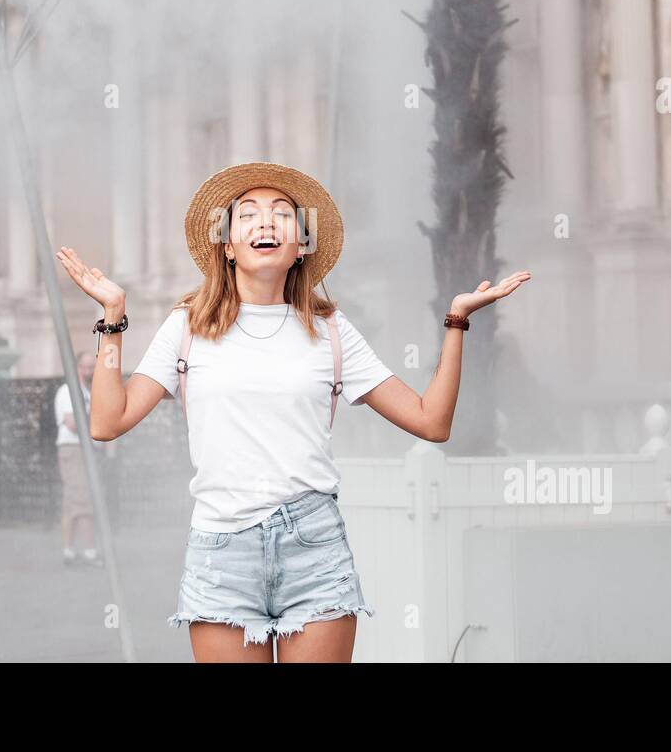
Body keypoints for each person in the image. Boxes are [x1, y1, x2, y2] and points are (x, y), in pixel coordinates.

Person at [56, 161, 530, 663]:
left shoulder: (330, 330)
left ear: (301, 244)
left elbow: (431, 421)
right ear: (227, 243)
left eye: (282, 214)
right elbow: (108, 422)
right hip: (222, 552)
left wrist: (456, 320)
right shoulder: (187, 328)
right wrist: (112, 319)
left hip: (314, 548)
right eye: (249, 215)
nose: (266, 222)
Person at [53, 350, 118, 568]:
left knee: (73, 500)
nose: (90, 371)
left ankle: (69, 550)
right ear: (77, 368)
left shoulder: (91, 392)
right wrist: (95, 425)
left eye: (93, 367)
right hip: (75, 449)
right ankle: (89, 551)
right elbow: (72, 423)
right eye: (86, 367)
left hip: (89, 450)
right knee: (83, 498)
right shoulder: (68, 391)